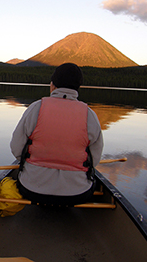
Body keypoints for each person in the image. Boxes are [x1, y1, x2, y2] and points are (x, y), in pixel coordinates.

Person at [10, 62, 103, 206]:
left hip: (32, 189)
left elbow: (16, 148)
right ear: (78, 88)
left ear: (52, 85)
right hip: (77, 194)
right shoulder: (90, 115)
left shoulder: (36, 108)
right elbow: (94, 160)